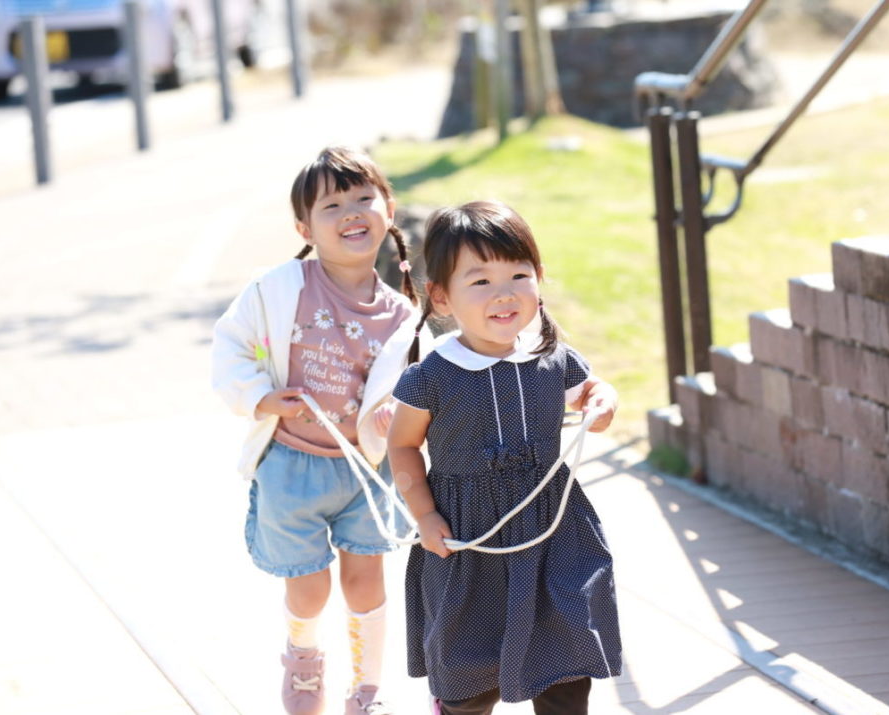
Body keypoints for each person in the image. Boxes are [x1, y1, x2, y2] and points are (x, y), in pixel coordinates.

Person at [212, 146, 430, 715]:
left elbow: (416, 393)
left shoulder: (404, 317)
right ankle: (305, 664)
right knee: (308, 589)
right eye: (332, 205)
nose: (352, 212)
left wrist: (394, 422)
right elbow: (231, 344)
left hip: (365, 472)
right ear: (304, 227)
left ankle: (368, 689)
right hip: (292, 464)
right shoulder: (279, 288)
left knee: (365, 583)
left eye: (364, 198)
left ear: (388, 210)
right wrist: (260, 396)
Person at [386, 200, 623, 715]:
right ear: (442, 297)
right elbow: (401, 445)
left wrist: (603, 400)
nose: (505, 293)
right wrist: (424, 516)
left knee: (566, 660)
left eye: (519, 274)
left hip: (552, 533)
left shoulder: (551, 357)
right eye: (480, 281)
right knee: (469, 675)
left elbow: (592, 399)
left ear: (539, 279)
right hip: (469, 541)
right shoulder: (433, 376)